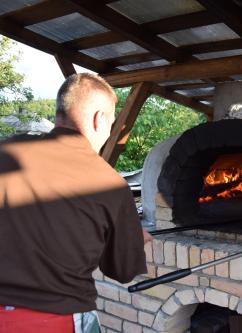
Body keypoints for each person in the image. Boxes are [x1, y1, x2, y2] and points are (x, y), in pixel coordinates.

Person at [0, 73, 151, 332]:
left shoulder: (6, 152)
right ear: (98, 119)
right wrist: (133, 237)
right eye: (112, 123)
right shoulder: (108, 184)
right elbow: (123, 271)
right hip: (54, 320)